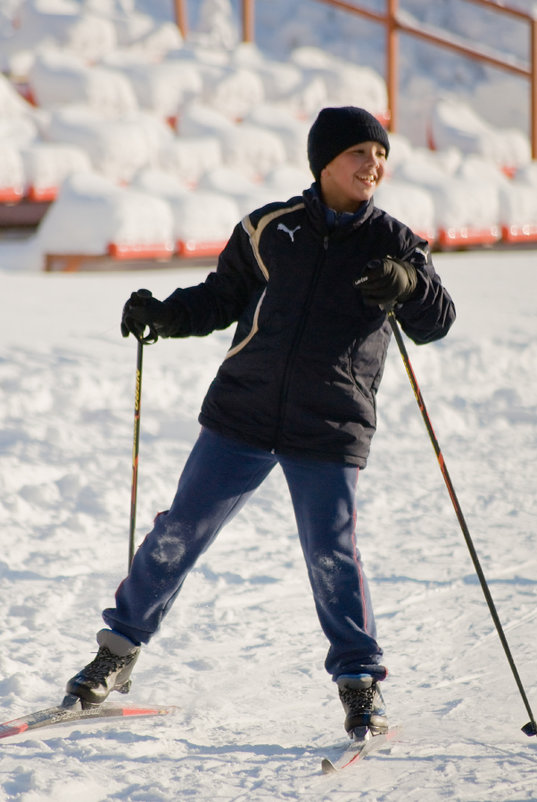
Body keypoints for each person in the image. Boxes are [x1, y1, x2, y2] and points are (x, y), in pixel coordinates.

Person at [65, 106, 456, 740]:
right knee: (178, 532)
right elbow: (220, 299)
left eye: (380, 155)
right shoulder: (268, 228)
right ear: (325, 161)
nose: (374, 165)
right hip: (242, 412)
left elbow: (436, 321)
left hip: (330, 422)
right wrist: (163, 314)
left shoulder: (395, 241)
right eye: (360, 153)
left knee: (332, 555)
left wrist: (410, 283)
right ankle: (117, 651)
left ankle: (359, 684)